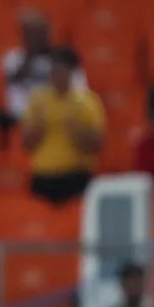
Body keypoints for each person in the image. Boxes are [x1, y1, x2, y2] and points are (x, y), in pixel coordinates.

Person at [23, 47, 105, 204]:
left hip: (76, 175)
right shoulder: (38, 100)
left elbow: (97, 145)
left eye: (61, 70)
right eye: (54, 70)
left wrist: (76, 129)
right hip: (43, 176)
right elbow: (26, 143)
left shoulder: (87, 102)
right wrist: (39, 126)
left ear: (72, 72)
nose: (57, 75)